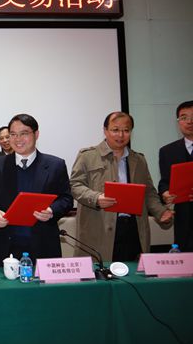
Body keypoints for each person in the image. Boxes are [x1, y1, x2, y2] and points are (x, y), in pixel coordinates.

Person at [71, 112, 173, 262]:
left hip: (133, 228)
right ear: (105, 130)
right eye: (115, 130)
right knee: (101, 273)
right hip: (100, 228)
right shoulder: (88, 156)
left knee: (133, 273)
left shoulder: (139, 160)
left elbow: (149, 193)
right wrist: (96, 198)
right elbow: (75, 185)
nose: (121, 135)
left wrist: (161, 212)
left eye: (126, 130)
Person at [0, 114, 73, 267]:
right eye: (13, 134)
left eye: (24, 133)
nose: (18, 139)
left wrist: (51, 211)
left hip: (43, 245)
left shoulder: (55, 165)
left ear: (36, 134)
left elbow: (66, 199)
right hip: (5, 245)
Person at [159, 101, 193, 251]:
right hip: (183, 220)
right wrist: (165, 193)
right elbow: (164, 182)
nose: (189, 121)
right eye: (184, 118)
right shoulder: (167, 151)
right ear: (178, 122)